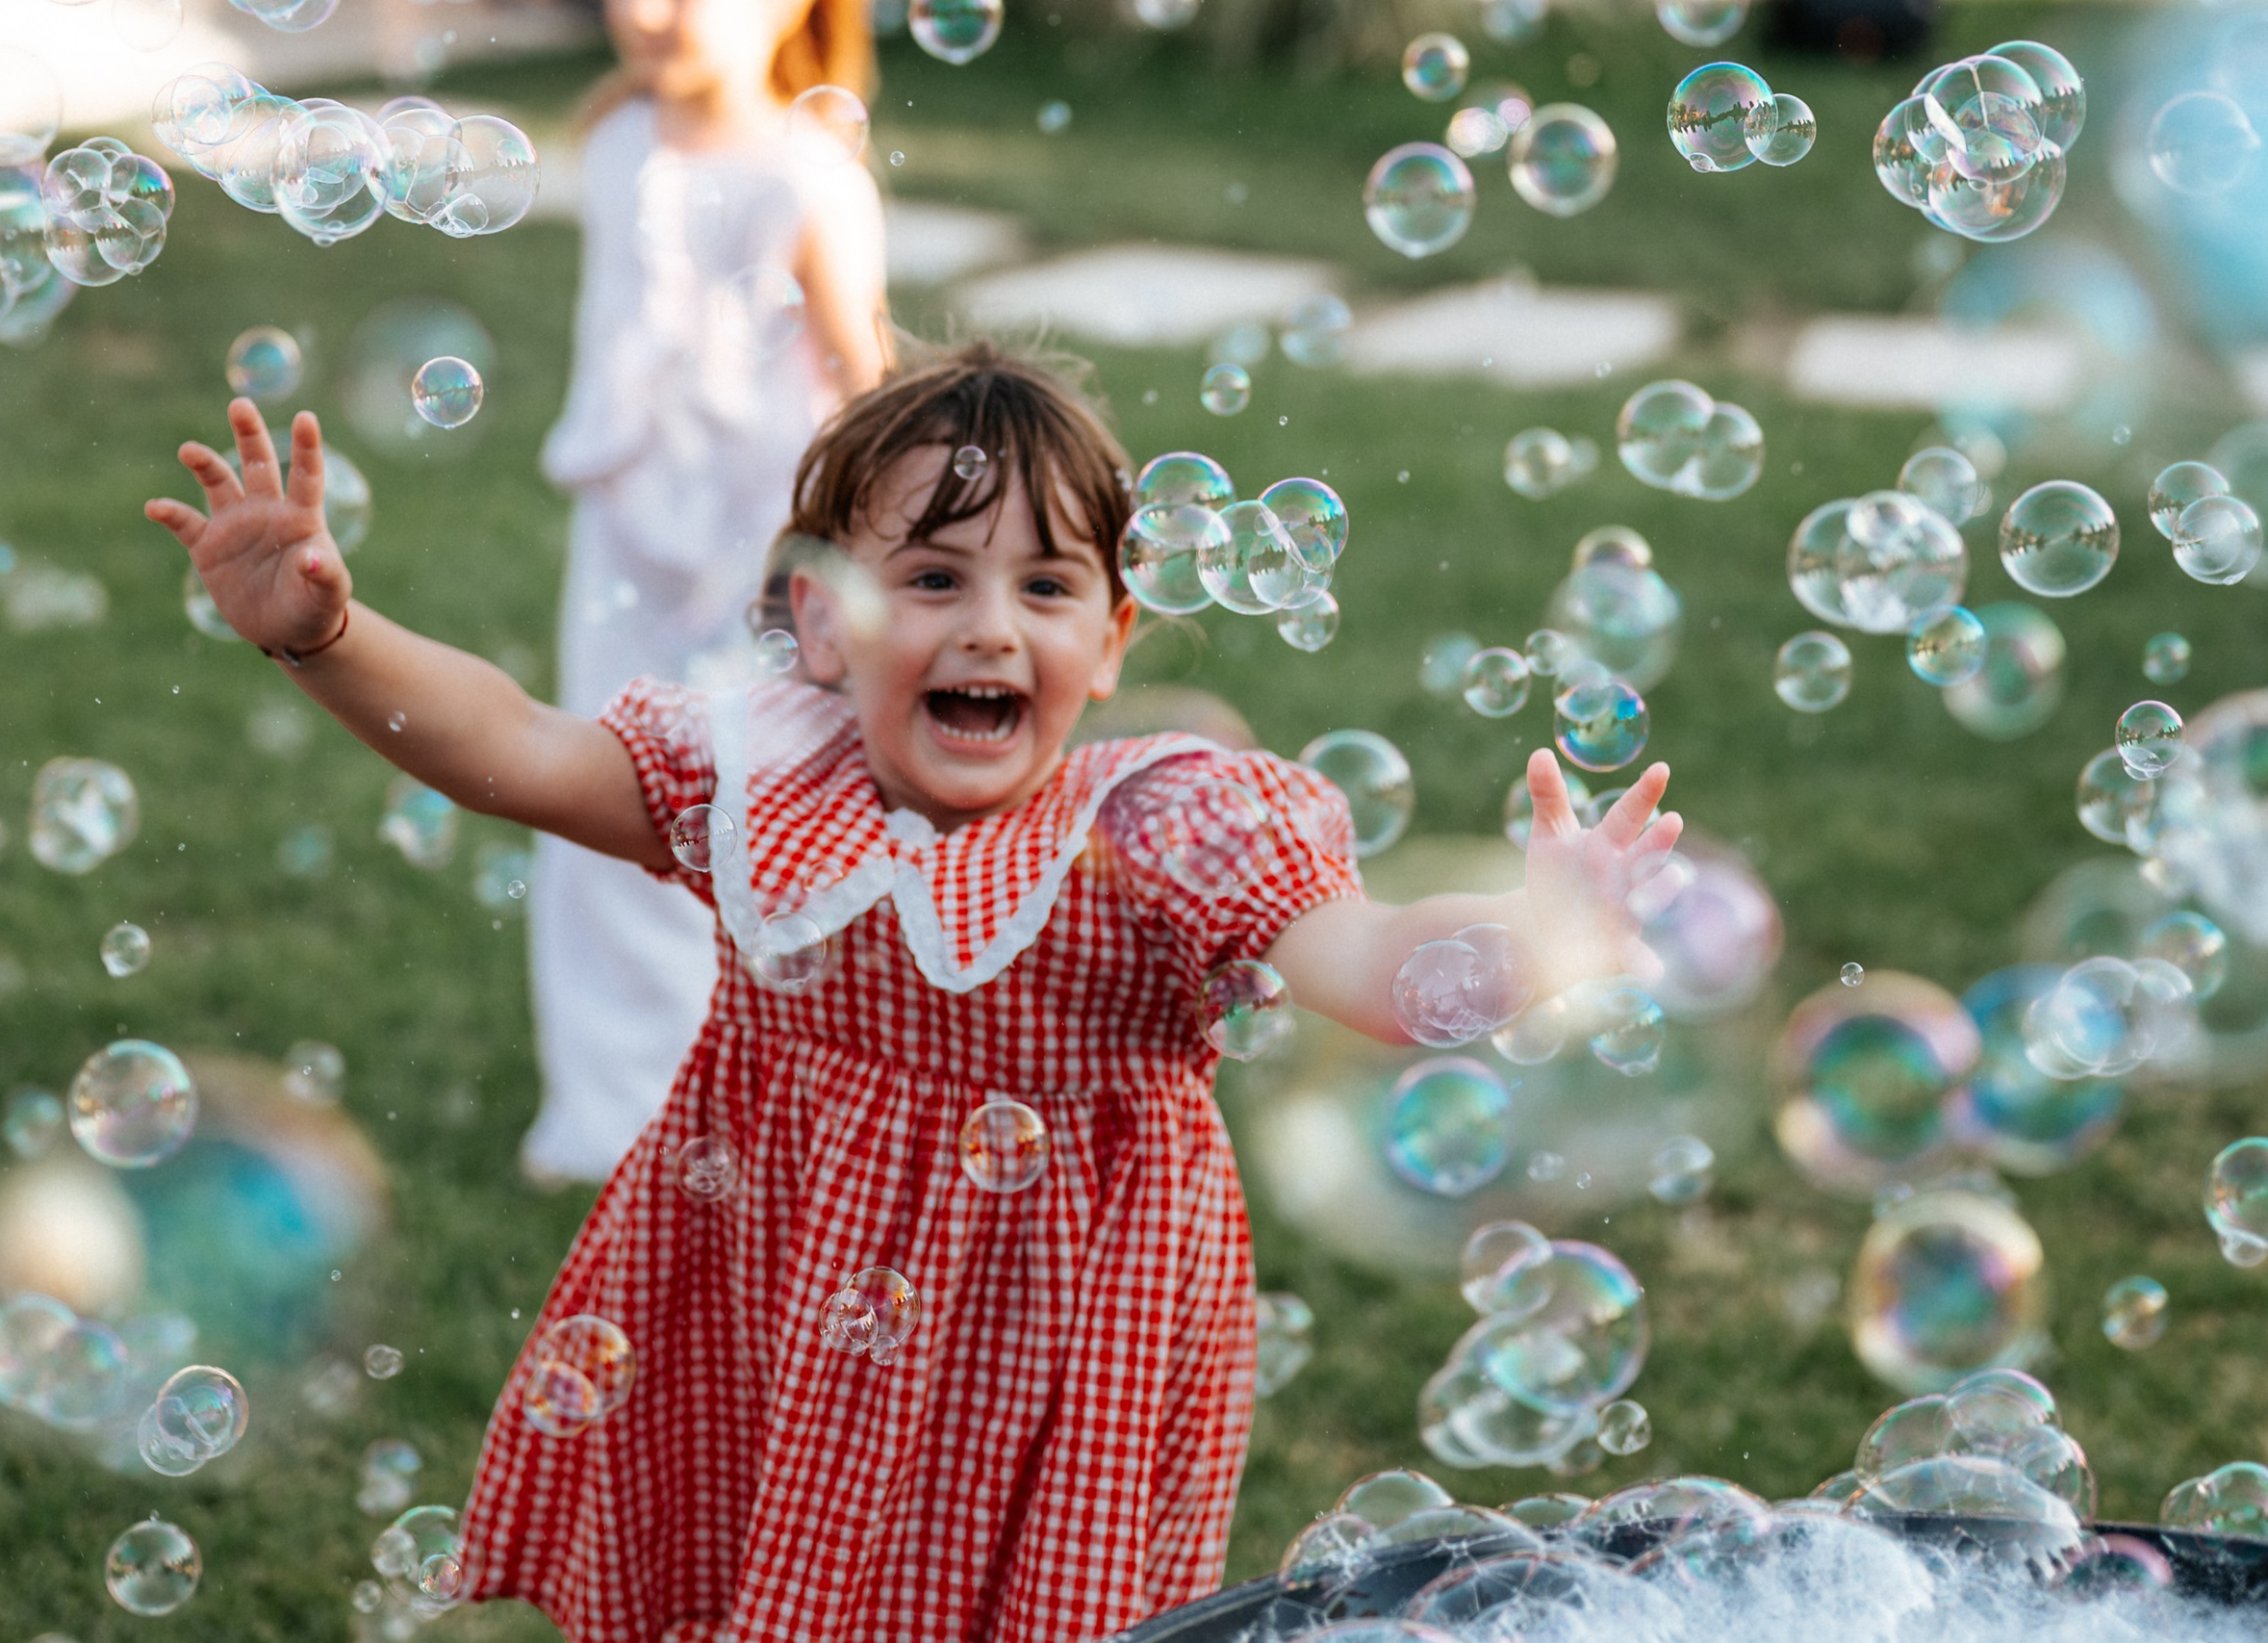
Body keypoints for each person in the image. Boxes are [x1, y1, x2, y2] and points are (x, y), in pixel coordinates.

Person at [144, 345, 1683, 1643]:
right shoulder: (757, 781)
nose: (990, 625)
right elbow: (519, 748)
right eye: (931, 576)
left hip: (1064, 1326)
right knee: (790, 1571)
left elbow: (1381, 965)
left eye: (1048, 583)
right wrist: (327, 635)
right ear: (821, 620)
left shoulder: (1159, 828)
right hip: (785, 1271)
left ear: (1113, 631)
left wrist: (1537, 932)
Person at [526, 0, 888, 1184]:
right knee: (596, 806)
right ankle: (613, 1106)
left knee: (734, 817)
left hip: (755, 555)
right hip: (627, 532)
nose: (648, 11)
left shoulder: (808, 174)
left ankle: (733, 1094)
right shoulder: (625, 135)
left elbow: (864, 385)